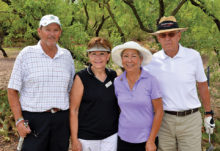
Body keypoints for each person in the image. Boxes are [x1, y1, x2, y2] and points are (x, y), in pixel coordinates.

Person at [144, 16, 215, 151]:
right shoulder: (152, 61)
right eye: (163, 35)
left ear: (179, 35)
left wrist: (208, 113)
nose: (167, 38)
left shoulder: (193, 56)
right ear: (158, 38)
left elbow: (202, 85)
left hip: (190, 120)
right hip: (163, 121)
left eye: (171, 34)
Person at [7, 14, 75, 151]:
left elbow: (71, 90)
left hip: (61, 120)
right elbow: (12, 90)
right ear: (39, 31)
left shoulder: (66, 56)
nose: (51, 34)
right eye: (47, 29)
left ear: (60, 33)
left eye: (55, 30)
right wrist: (19, 120)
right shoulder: (26, 54)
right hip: (34, 120)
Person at [111, 41, 164, 151]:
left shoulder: (151, 81)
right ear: (122, 60)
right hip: (123, 138)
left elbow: (159, 111)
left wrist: (151, 140)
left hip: (146, 140)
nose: (129, 60)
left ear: (140, 60)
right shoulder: (117, 82)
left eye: (133, 56)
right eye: (126, 56)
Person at [70, 37, 119, 151]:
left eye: (102, 53)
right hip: (87, 138)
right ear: (88, 56)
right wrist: (74, 139)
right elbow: (74, 110)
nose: (98, 58)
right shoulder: (81, 77)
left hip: (111, 136)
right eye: (93, 54)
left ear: (108, 56)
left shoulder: (113, 75)